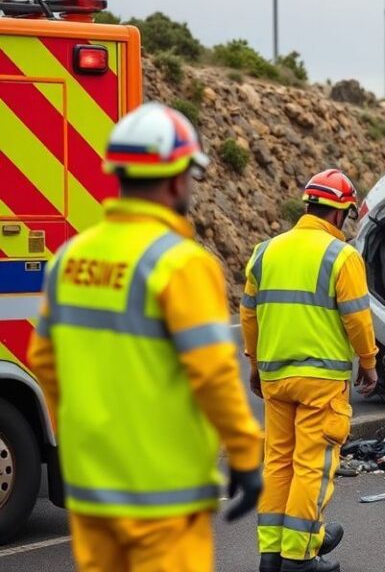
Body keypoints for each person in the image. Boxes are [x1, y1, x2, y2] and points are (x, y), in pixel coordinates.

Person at [28, 102, 264, 572]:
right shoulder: (181, 263)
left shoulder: (69, 258)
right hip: (163, 494)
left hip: (92, 489)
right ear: (177, 180)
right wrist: (244, 452)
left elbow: (44, 361)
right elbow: (213, 374)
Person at [241, 169, 378, 572]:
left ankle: (272, 552)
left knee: (278, 463)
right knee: (311, 467)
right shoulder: (342, 256)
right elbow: (358, 319)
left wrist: (254, 365)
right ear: (339, 214)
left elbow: (249, 315)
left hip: (275, 377)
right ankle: (299, 557)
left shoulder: (264, 252)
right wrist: (368, 363)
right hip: (321, 380)